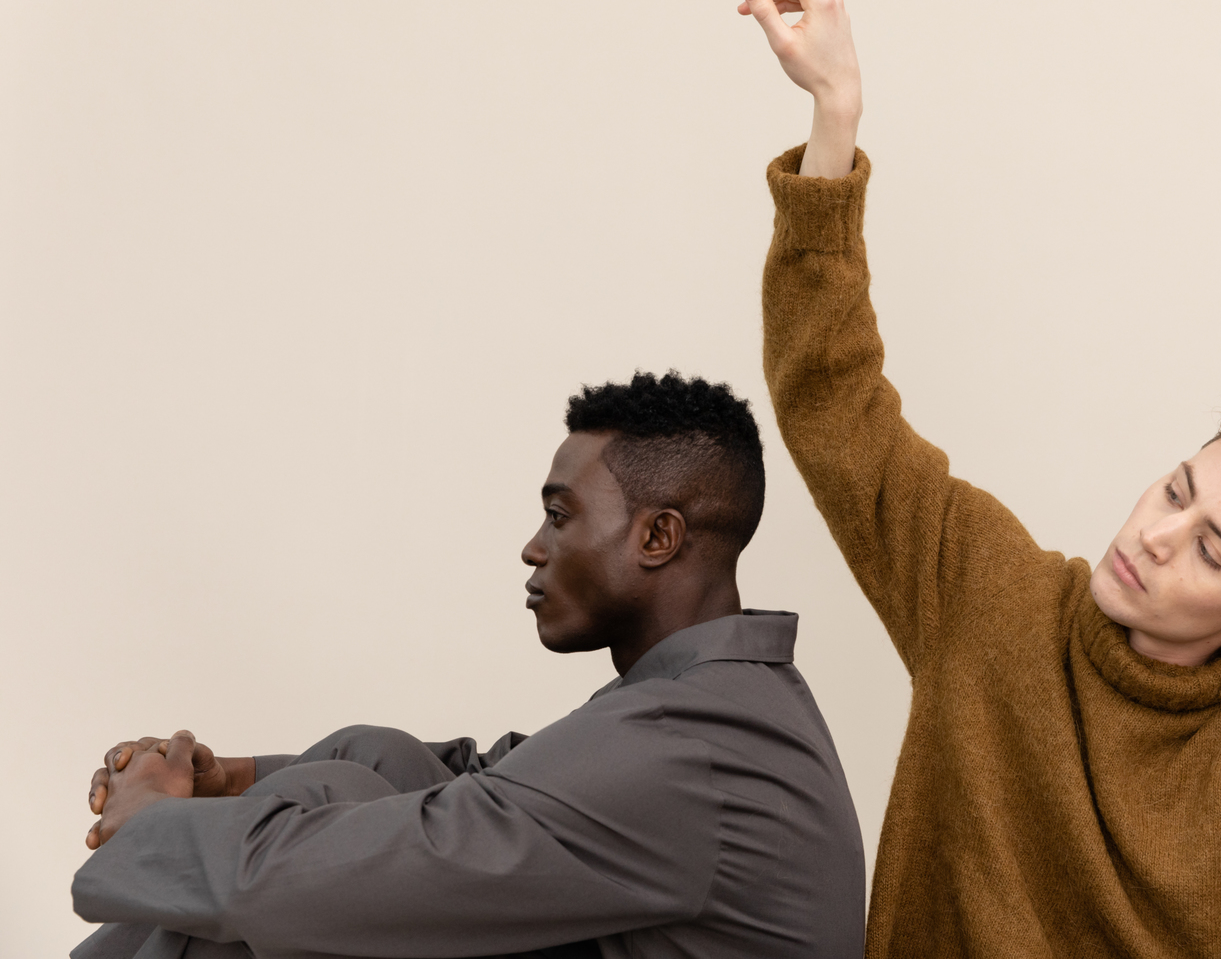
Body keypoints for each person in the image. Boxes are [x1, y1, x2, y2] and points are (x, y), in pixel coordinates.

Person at [720, 0, 1221, 959]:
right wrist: (834, 111)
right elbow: (833, 401)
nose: (1155, 534)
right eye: (1177, 488)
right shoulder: (987, 593)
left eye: (1213, 550)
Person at [73, 371, 865, 959]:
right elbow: (490, 781)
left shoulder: (684, 751)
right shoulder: (708, 706)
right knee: (358, 770)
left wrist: (153, 822)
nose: (533, 546)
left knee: (309, 863)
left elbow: (354, 878)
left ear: (656, 538)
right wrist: (230, 780)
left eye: (560, 515)